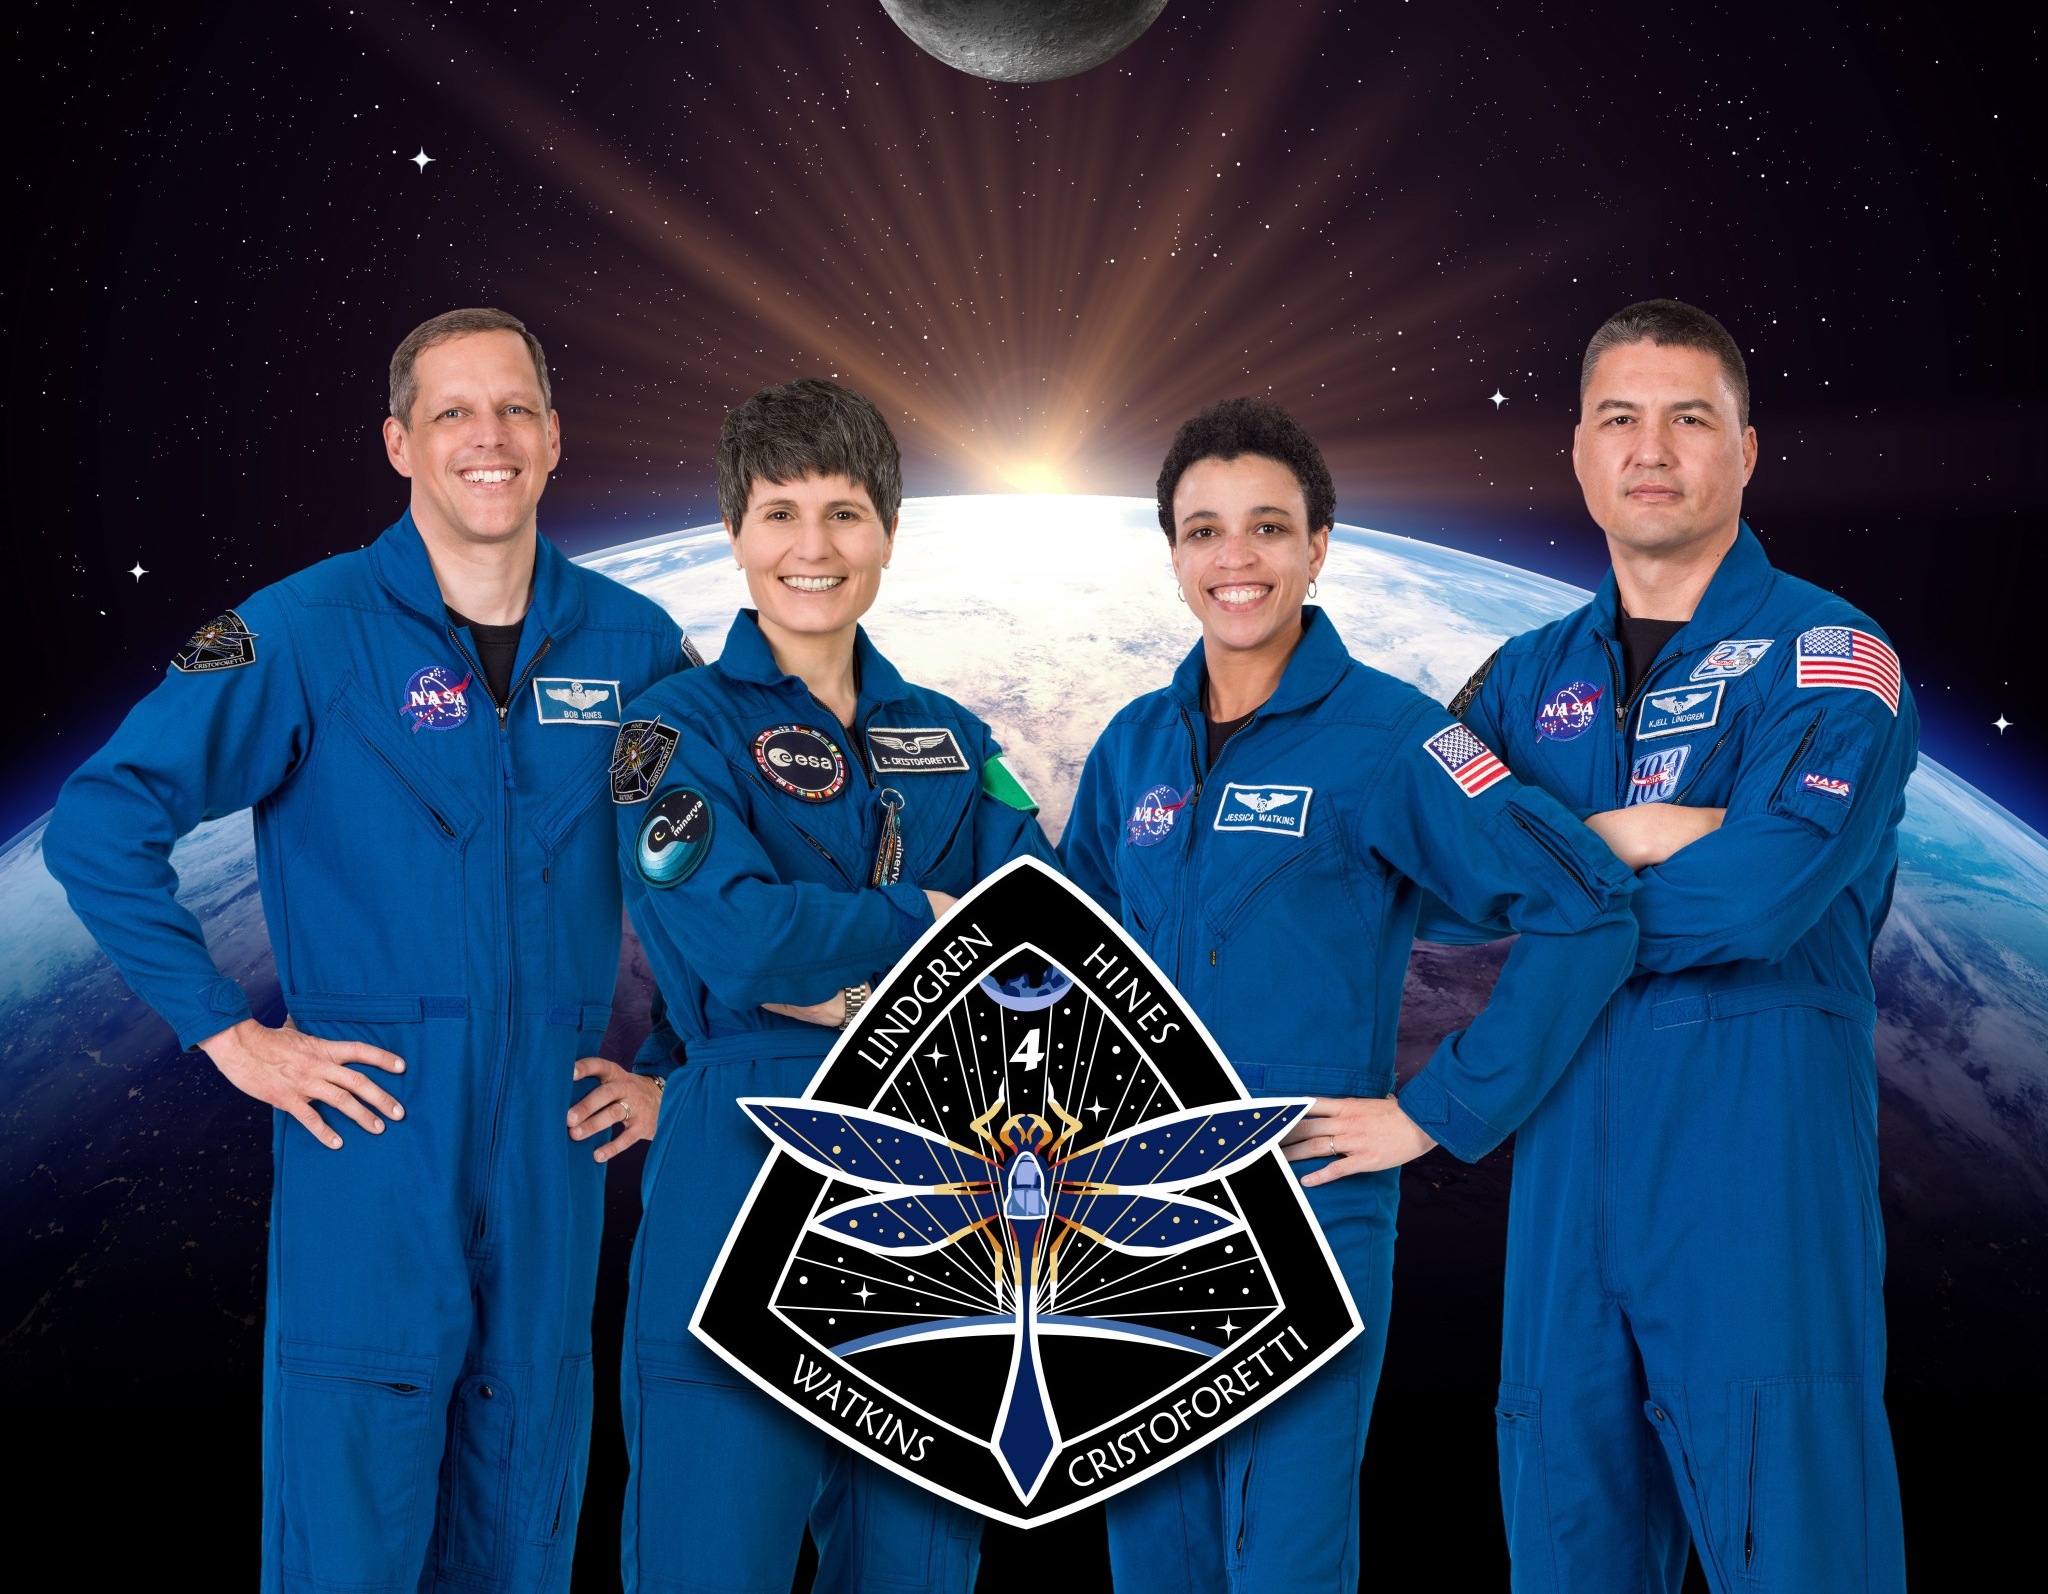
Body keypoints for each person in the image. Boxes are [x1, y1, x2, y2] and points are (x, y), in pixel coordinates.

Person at [44, 308, 689, 1593]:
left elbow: (696, 876)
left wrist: (674, 1063)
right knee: (350, 1530)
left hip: (555, 1152)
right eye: (452, 412)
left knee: (524, 1510)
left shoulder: (636, 649)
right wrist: (226, 1032)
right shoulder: (301, 633)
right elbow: (101, 820)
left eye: (513, 409)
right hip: (373, 1139)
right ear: (400, 443)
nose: (487, 437)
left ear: (554, 438)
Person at [1058, 398, 1641, 1594]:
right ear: (1171, 553)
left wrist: (1435, 1111)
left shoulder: (1392, 740)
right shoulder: (1132, 747)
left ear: (1317, 545)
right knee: (1153, 1562)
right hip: (1121, 1210)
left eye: (1267, 528)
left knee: (1282, 1559)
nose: (1236, 560)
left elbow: (1581, 907)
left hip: (1300, 1211)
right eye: (1205, 531)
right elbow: (1068, 962)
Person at [1425, 300, 1912, 1592]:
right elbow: (1426, 871)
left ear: (1746, 452)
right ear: (1579, 456)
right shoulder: (1524, 675)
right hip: (1566, 1202)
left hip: (1757, 1194)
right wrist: (1633, 832)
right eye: (1620, 420)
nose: (1653, 448)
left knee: (1802, 1549)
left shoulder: (1834, 656)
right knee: (1565, 1543)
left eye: (1690, 418)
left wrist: (1550, 866)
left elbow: (1757, 898)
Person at [611, 377, 1059, 1594]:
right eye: (779, 514)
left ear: (890, 533)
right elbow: (738, 948)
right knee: (709, 1559)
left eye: (845, 513)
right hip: (736, 1174)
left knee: (912, 1569)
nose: (813, 548)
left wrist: (845, 986)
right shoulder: (669, 729)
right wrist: (923, 920)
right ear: (734, 532)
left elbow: (1049, 948)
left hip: (938, 1178)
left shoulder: (954, 741)